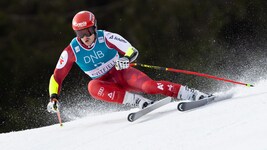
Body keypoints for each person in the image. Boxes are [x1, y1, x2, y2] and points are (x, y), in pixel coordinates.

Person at [47, 10, 209, 113]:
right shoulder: (72, 51)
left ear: (94, 28)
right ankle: (138, 101)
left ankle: (190, 93)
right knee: (92, 87)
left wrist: (126, 58)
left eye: (88, 31)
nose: (85, 37)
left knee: (150, 87)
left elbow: (131, 50)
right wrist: (53, 97)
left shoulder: (106, 37)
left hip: (123, 74)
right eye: (80, 33)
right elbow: (56, 77)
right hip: (105, 83)